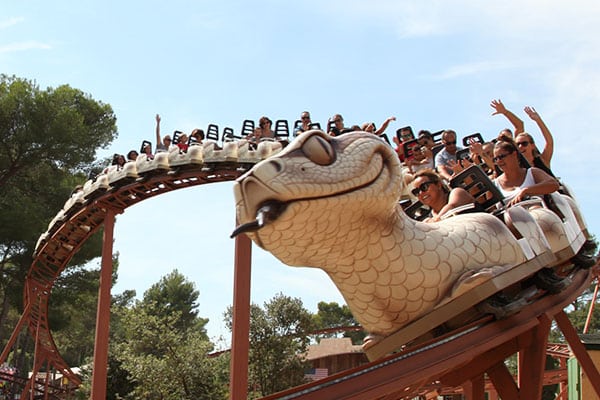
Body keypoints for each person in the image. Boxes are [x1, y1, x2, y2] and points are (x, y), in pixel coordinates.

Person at [492, 135, 559, 207]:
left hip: (536, 214)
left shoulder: (532, 173)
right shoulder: (494, 185)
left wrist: (526, 191)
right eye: (496, 159)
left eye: (501, 157)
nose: (499, 161)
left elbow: (553, 184)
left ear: (514, 154)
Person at [411, 169, 477, 222]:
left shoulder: (457, 192)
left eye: (424, 187)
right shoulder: (430, 217)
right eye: (416, 192)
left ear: (438, 185)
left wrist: (432, 223)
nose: (421, 193)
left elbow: (451, 208)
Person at [516, 105, 555, 174]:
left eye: (524, 143)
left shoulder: (542, 160)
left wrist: (538, 120)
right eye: (517, 144)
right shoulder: (518, 167)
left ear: (532, 145)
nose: (520, 146)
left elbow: (549, 142)